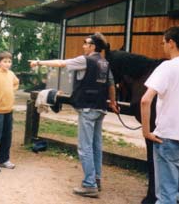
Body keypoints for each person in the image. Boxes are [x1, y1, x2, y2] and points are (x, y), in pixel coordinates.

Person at [29, 32, 119, 198]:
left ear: (93, 46)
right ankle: (96, 179)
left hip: (87, 108)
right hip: (100, 108)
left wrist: (39, 62)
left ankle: (89, 185)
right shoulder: (104, 63)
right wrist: (113, 102)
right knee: (96, 146)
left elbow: (61, 63)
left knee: (85, 147)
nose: (84, 46)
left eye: (86, 43)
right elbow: (111, 84)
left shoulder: (86, 60)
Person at [141, 26, 179, 204]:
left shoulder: (167, 67)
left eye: (164, 42)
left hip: (167, 139)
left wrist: (146, 131)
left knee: (166, 195)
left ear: (172, 43)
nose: (163, 46)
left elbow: (145, 100)